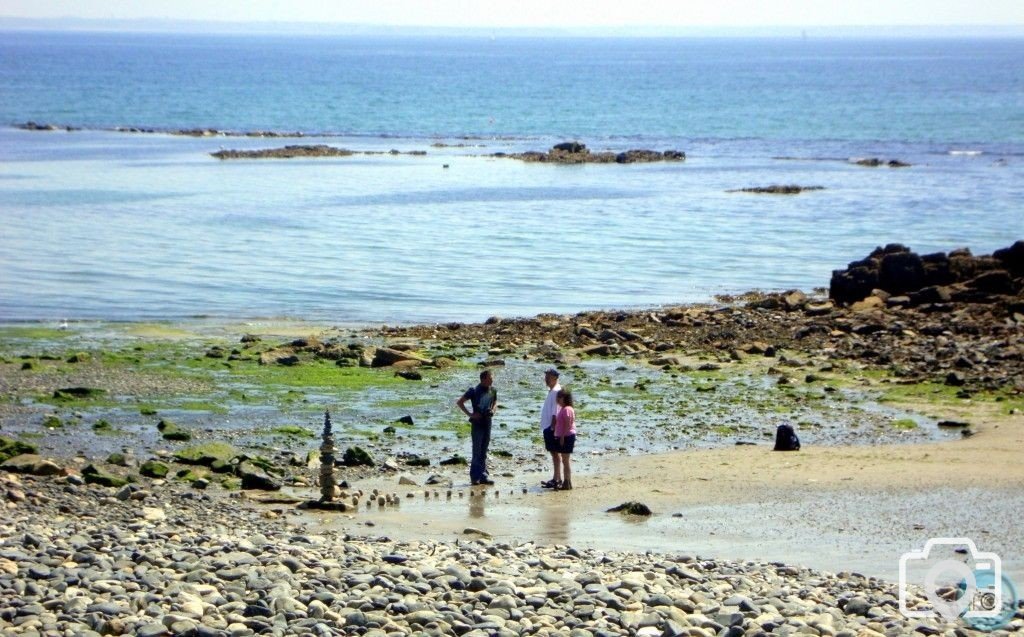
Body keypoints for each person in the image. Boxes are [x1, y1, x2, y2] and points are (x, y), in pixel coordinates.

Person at [456, 369, 497, 485]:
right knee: (477, 450)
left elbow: (495, 402)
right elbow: (460, 402)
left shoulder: (493, 390)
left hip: (487, 422)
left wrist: (493, 411)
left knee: (484, 450)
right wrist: (471, 414)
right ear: (483, 379)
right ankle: (475, 477)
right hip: (477, 424)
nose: (492, 380)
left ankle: (484, 475)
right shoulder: (474, 391)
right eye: (490, 378)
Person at [540, 368, 562, 489]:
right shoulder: (553, 390)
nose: (546, 379)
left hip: (551, 426)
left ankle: (557, 478)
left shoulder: (555, 391)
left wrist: (553, 427)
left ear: (554, 378)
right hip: (549, 425)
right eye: (545, 377)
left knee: (555, 453)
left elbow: (555, 411)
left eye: (548, 377)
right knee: (554, 453)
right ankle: (556, 477)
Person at [554, 388, 576, 490]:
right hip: (566, 436)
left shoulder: (567, 409)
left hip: (567, 436)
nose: (558, 399)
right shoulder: (565, 408)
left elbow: (568, 424)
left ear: (565, 398)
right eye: (557, 397)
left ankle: (567, 482)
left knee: (565, 460)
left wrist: (562, 436)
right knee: (565, 460)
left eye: (560, 397)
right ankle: (567, 482)